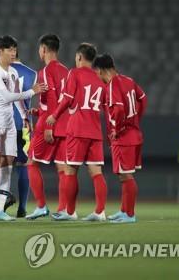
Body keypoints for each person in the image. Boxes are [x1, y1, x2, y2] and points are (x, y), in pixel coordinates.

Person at [0, 35, 43, 221]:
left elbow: (17, 99)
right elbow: (6, 97)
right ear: (0, 51)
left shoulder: (13, 72)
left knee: (7, 164)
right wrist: (33, 91)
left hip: (9, 124)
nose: (13, 52)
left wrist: (24, 117)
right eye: (9, 49)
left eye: (15, 49)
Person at [47, 43, 108, 221]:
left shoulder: (74, 73)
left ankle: (70, 212)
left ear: (79, 57)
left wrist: (55, 115)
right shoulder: (99, 79)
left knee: (70, 170)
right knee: (96, 172)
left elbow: (67, 98)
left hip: (77, 129)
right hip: (95, 131)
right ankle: (100, 212)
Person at [93, 53, 147, 223]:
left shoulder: (112, 85)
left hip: (124, 138)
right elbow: (143, 99)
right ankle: (124, 210)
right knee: (124, 175)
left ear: (101, 71)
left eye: (97, 73)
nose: (97, 77)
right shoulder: (128, 80)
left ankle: (130, 215)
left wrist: (118, 128)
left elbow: (119, 110)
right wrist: (136, 120)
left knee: (126, 176)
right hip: (134, 134)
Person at [25, 34, 69, 220]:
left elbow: (51, 97)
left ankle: (41, 206)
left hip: (48, 124)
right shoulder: (66, 71)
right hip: (65, 123)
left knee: (31, 163)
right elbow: (63, 99)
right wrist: (39, 111)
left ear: (43, 49)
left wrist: (49, 123)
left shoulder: (45, 71)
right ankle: (64, 209)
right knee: (63, 168)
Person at [10, 48, 38, 218]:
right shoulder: (32, 73)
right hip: (24, 124)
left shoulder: (0, 70)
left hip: (3, 123)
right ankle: (22, 207)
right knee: (23, 164)